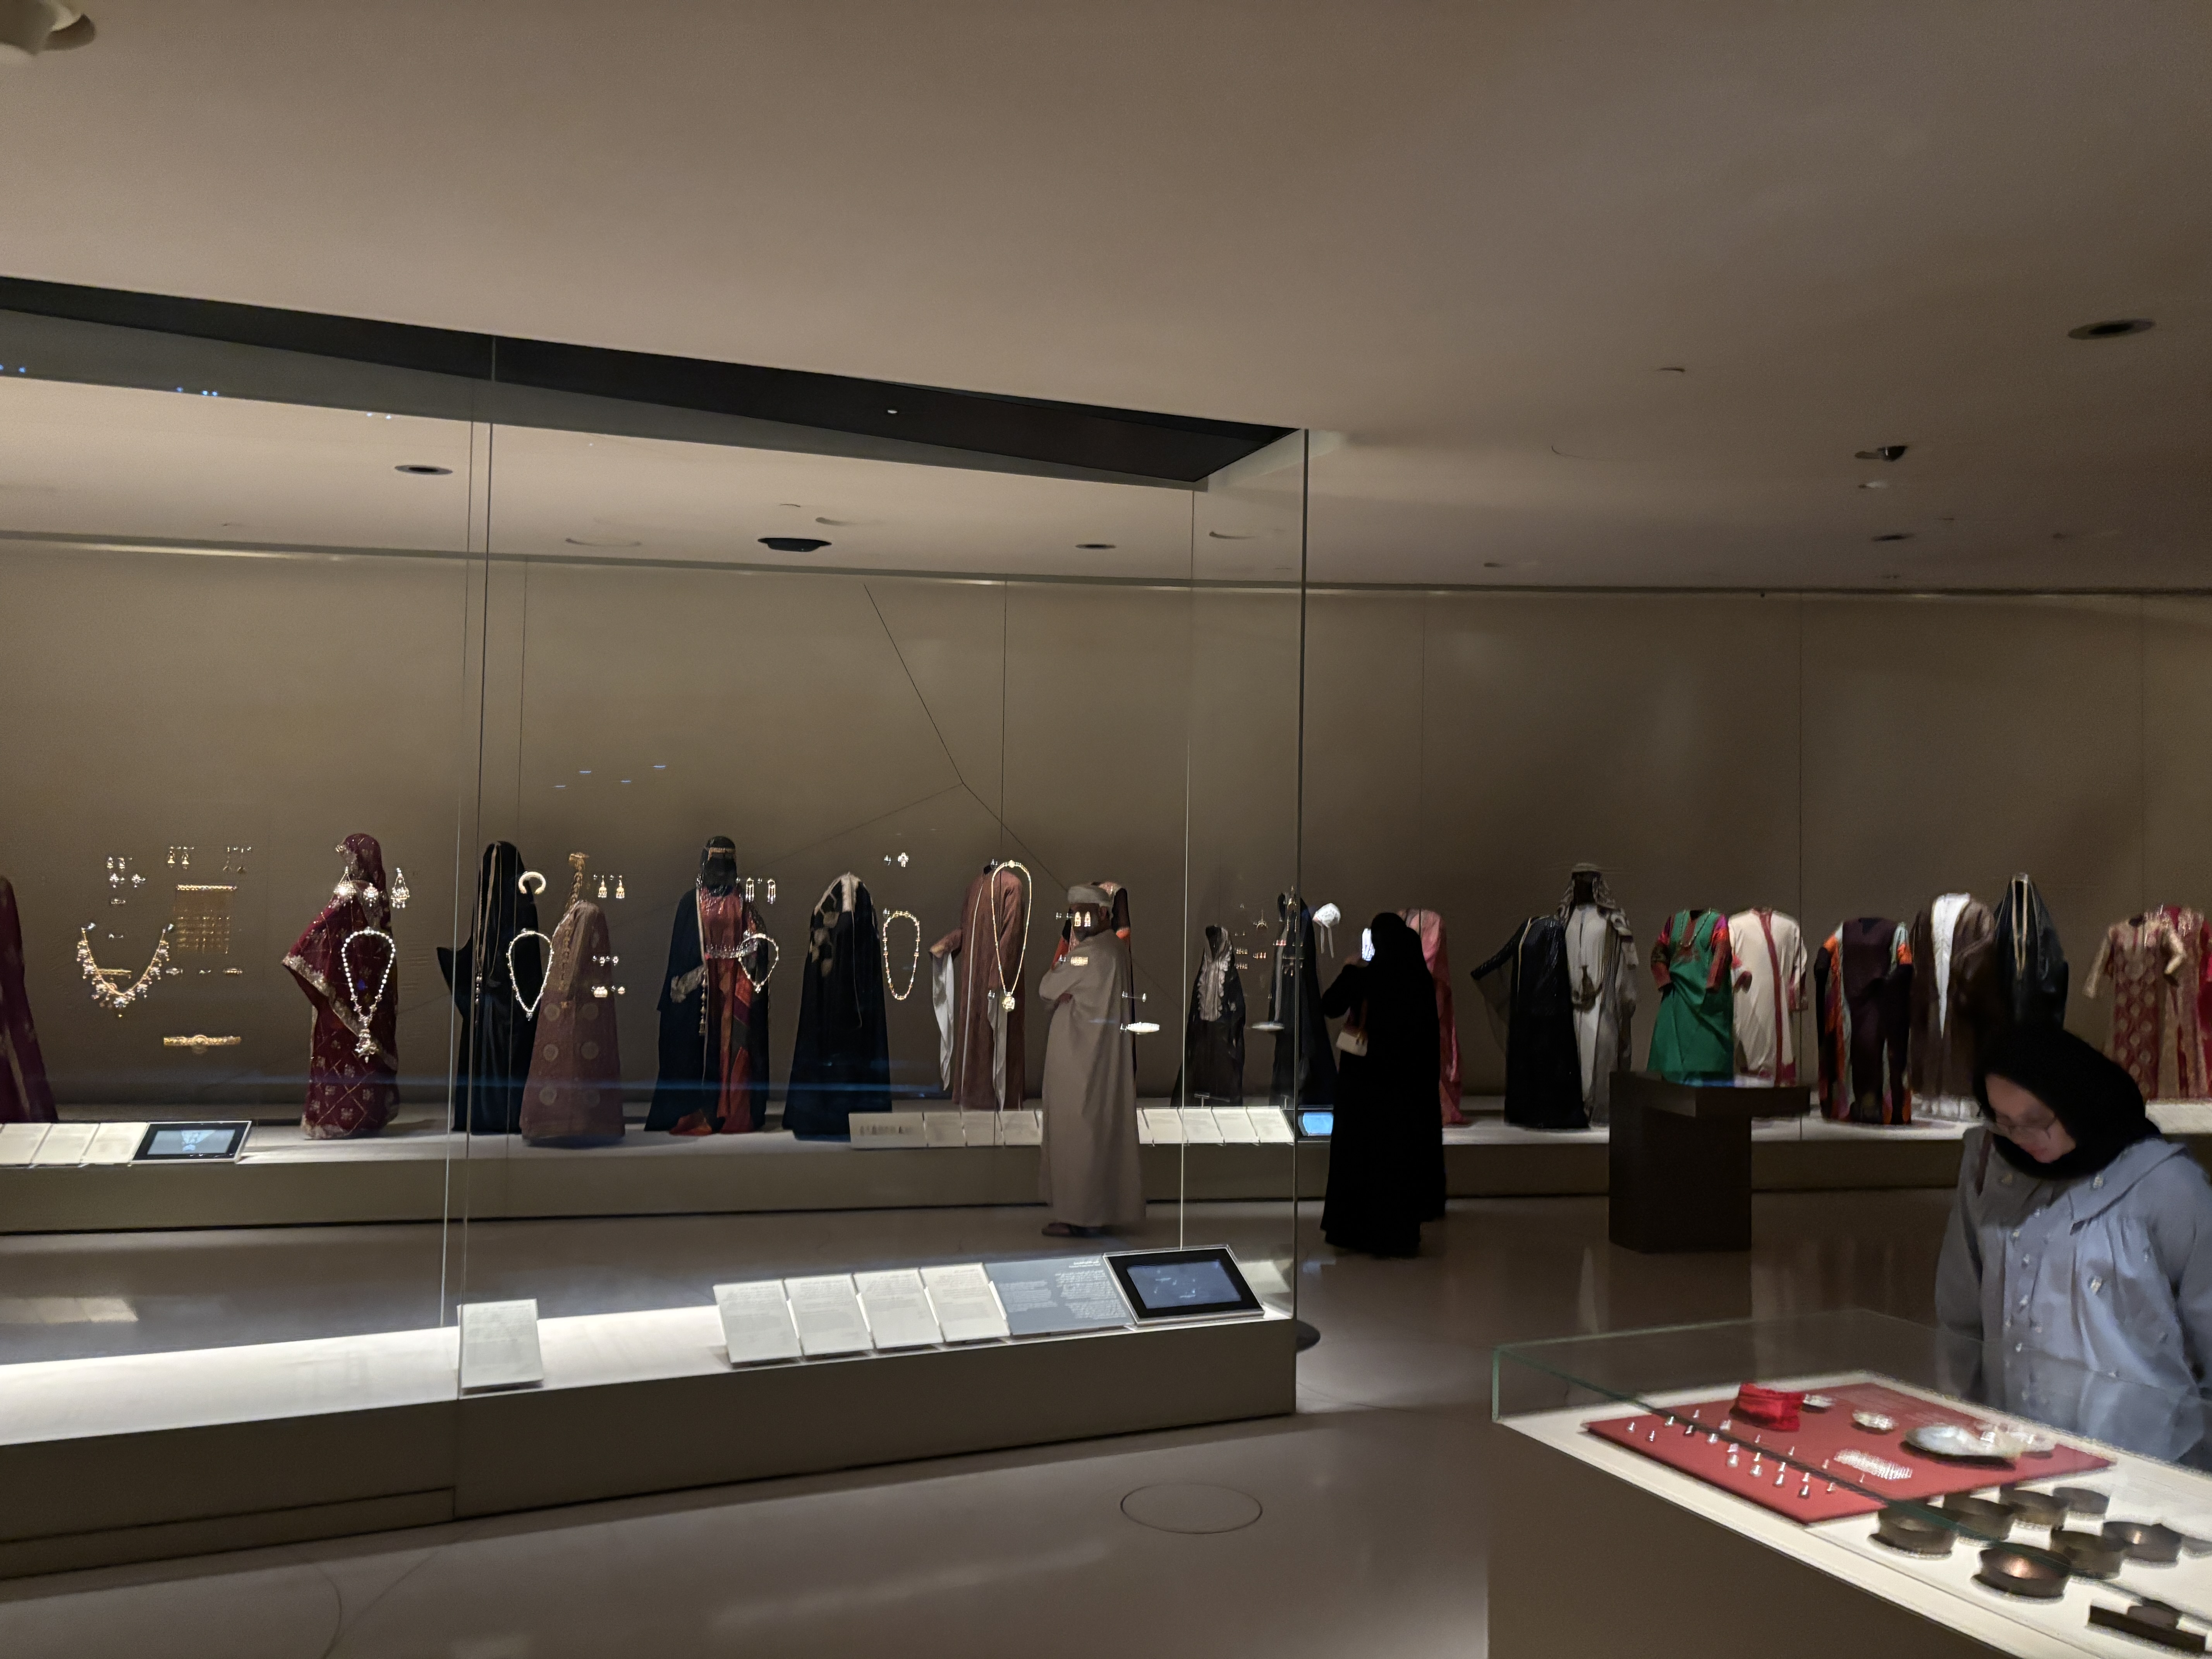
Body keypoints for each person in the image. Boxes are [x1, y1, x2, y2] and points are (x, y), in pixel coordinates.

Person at [1935, 1022, 2212, 1459]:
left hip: (2142, 1456)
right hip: (2015, 1445)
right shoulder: (1990, 1166)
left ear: (2076, 1101)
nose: (2022, 1138)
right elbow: (1960, 1313)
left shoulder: (2165, 1185)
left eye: (2036, 1121)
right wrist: (1959, 1426)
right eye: (2005, 1122)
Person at [1320, 912, 1443, 1256]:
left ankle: (1356, 1230)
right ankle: (1395, 1233)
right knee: (1396, 1160)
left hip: (1362, 1087)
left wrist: (1348, 969)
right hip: (1402, 1090)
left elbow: (1329, 1005)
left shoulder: (1365, 977)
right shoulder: (1417, 981)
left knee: (1361, 1157)